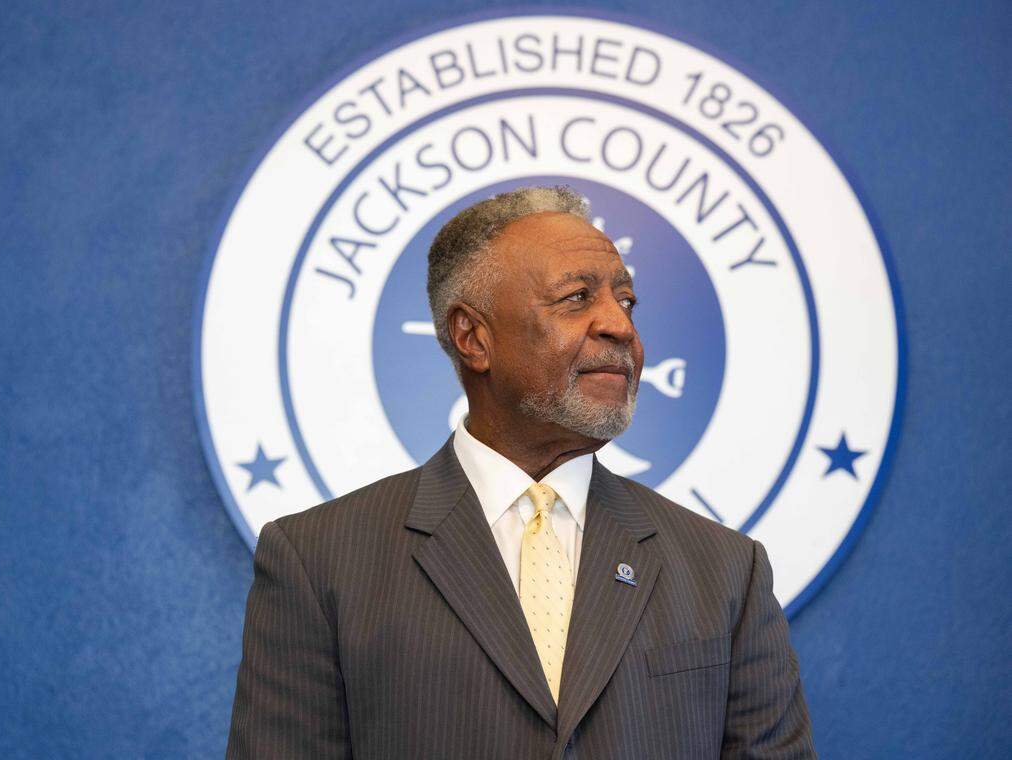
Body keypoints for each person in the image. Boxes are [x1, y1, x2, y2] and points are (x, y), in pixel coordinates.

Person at [226, 186, 816, 759]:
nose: (621, 327)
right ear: (473, 338)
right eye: (577, 298)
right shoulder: (318, 559)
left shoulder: (726, 570)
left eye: (626, 301)